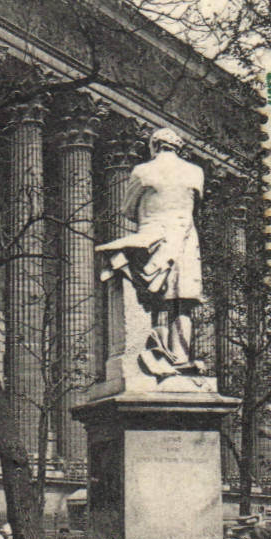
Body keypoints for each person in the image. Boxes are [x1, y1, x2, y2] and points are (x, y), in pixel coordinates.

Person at [97, 126, 206, 375]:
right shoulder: (195, 172)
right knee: (182, 300)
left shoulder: (142, 171)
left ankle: (157, 352)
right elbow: (197, 204)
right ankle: (180, 356)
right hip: (186, 237)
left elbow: (127, 209)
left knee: (156, 299)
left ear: (154, 146)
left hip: (153, 237)